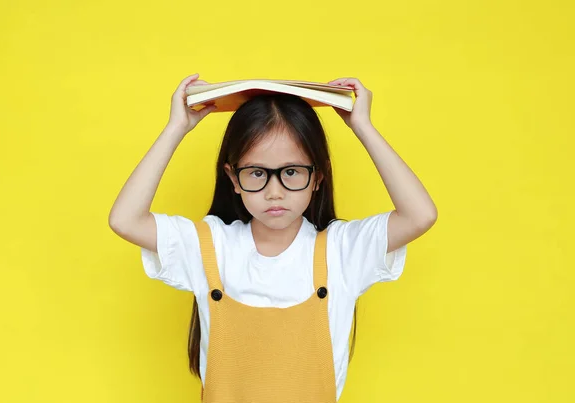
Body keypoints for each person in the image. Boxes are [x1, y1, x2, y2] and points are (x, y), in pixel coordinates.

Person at [109, 73, 437, 402]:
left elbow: (419, 215)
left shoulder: (341, 251)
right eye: (257, 173)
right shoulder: (211, 245)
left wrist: (362, 126)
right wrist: (175, 129)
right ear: (233, 178)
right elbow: (126, 220)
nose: (274, 192)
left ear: (317, 177)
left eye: (291, 172)